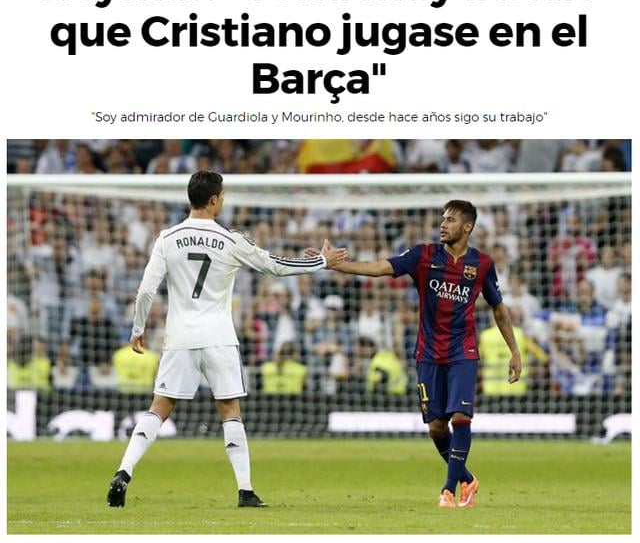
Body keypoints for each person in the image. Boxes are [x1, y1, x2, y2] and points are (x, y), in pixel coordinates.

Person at [107, 171, 347, 509]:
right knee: (230, 409)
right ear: (214, 200)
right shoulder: (230, 239)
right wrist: (320, 261)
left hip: (180, 337)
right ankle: (245, 490)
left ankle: (124, 471)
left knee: (159, 407)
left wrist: (137, 327)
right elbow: (275, 266)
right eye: (222, 196)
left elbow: (146, 289)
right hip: (218, 337)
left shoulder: (167, 238)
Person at [308, 200, 522, 508]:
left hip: (463, 351)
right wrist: (334, 265)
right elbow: (379, 268)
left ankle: (448, 491)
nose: (443, 224)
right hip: (428, 353)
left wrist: (514, 351)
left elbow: (498, 308)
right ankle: (467, 480)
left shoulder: (482, 264)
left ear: (468, 227)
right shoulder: (423, 255)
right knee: (436, 427)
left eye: (450, 219)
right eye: (442, 219)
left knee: (461, 416)